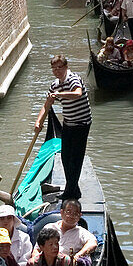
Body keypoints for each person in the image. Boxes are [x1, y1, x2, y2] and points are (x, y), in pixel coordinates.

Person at [34, 55, 92, 202]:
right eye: (54, 68)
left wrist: (59, 94)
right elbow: (47, 104)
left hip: (82, 123)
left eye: (60, 67)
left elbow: (77, 94)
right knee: (65, 157)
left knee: (76, 158)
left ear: (66, 67)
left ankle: (70, 192)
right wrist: (38, 122)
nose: (57, 71)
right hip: (68, 123)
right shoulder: (55, 85)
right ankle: (73, 189)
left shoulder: (73, 79)